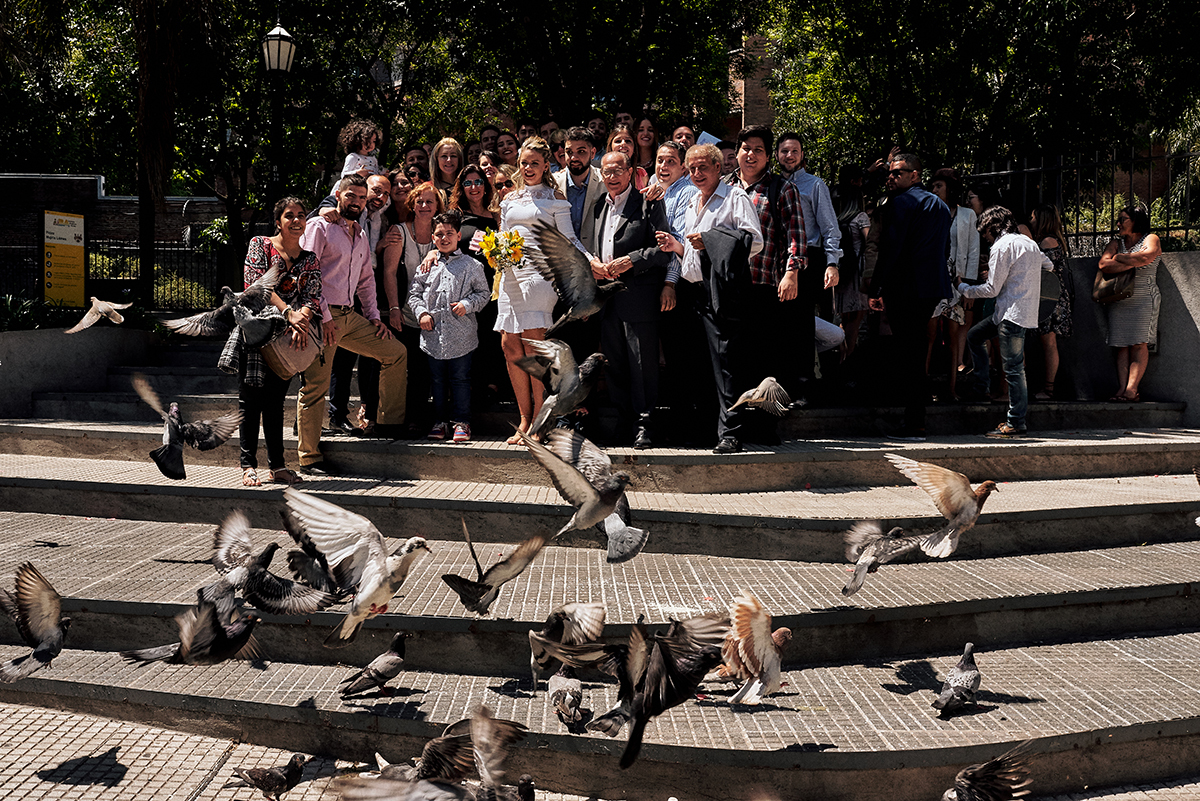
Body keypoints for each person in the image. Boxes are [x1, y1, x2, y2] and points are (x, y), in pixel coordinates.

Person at [296, 175, 408, 475]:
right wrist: (326, 317)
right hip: (321, 316)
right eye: (351, 196)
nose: (356, 202)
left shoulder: (359, 233)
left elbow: (365, 281)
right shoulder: (319, 227)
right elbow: (306, 276)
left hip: (349, 316)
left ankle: (388, 424)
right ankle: (309, 457)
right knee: (315, 386)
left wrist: (373, 317)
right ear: (337, 195)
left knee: (395, 352)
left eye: (360, 197)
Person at [657, 143, 763, 454]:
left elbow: (753, 240)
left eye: (703, 167)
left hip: (721, 292)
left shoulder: (734, 197)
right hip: (693, 292)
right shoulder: (693, 202)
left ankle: (731, 433)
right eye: (692, 169)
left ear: (719, 168)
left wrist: (711, 239)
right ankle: (706, 431)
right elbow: (692, 251)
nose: (697, 174)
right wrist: (676, 247)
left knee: (726, 365)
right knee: (698, 365)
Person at [496, 136, 594, 444]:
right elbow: (502, 236)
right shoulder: (509, 200)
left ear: (546, 165)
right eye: (523, 163)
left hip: (541, 276)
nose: (527, 168)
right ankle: (524, 419)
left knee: (533, 348)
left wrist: (592, 262)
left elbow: (570, 241)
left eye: (534, 163)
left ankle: (541, 421)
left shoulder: (555, 198)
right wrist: (494, 251)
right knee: (509, 345)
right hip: (510, 275)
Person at [723, 125, 808, 440]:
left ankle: (764, 427)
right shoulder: (725, 187)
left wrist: (792, 272)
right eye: (745, 148)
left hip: (764, 288)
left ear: (767, 155)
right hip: (730, 289)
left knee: (765, 361)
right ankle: (735, 427)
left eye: (758, 149)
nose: (750, 154)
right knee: (735, 360)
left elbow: (796, 236)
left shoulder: (781, 189)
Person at [234, 197, 321, 486]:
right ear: (278, 221)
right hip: (258, 331)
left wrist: (302, 319)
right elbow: (256, 286)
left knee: (274, 402)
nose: (296, 220)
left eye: (300, 215)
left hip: (288, 338)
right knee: (250, 400)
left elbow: (313, 295)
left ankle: (278, 467)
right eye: (289, 215)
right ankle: (248, 465)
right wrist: (288, 312)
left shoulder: (309, 258)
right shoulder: (261, 244)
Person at [866, 153, 952, 442]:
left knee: (910, 355)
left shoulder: (901, 203)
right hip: (930, 288)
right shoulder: (939, 205)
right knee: (916, 351)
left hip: (906, 288)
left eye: (897, 173)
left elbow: (891, 250)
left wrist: (876, 288)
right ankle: (916, 422)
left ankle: (914, 424)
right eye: (889, 173)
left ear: (915, 174)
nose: (890, 177)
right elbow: (945, 248)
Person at [588, 150, 671, 447]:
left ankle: (645, 424)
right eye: (606, 172)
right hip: (608, 299)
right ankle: (624, 421)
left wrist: (632, 260)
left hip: (639, 297)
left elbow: (664, 249)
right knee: (616, 364)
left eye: (617, 171)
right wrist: (595, 265)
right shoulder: (599, 207)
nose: (611, 177)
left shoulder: (648, 203)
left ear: (630, 172)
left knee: (642, 364)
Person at [959, 207, 1053, 436]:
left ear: (992, 228)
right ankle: (982, 386)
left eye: (985, 233)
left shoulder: (1001, 246)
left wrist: (964, 288)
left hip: (1010, 314)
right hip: (1020, 312)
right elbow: (1048, 266)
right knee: (975, 335)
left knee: (1013, 369)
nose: (985, 238)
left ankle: (1016, 421)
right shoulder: (1028, 243)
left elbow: (992, 289)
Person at [408, 210, 491, 443]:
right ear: (433, 238)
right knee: (437, 381)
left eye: (449, 234)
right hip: (433, 337)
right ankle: (440, 421)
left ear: (458, 236)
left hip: (461, 336)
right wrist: (422, 313)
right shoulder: (427, 266)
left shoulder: (472, 265)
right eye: (439, 234)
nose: (444, 238)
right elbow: (414, 295)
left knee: (461, 379)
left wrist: (467, 304)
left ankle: (461, 422)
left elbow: (484, 293)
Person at [775, 131, 841, 399]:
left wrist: (832, 262)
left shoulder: (815, 185)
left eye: (794, 151)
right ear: (776, 154)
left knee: (802, 326)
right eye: (784, 151)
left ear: (802, 155)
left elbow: (829, 227)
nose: (789, 155)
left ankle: (802, 387)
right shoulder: (773, 184)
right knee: (779, 325)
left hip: (808, 260)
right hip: (775, 260)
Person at [381, 182, 443, 432]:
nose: (424, 206)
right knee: (408, 366)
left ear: (438, 205)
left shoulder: (444, 233)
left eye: (430, 201)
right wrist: (394, 307)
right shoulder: (399, 231)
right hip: (405, 312)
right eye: (420, 201)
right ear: (412, 205)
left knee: (426, 370)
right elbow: (389, 272)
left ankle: (421, 417)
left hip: (436, 314)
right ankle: (400, 420)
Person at [448, 164, 503, 408]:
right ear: (462, 187)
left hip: (493, 285)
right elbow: (442, 242)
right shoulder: (456, 216)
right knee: (469, 336)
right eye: (468, 183)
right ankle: (469, 388)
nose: (474, 187)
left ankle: (491, 385)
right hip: (465, 288)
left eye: (478, 182)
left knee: (491, 336)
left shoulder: (497, 215)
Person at [1099, 206, 1162, 402]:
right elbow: (1103, 265)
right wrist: (1131, 260)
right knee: (1120, 345)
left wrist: (1118, 258)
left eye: (1123, 220)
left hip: (1144, 298)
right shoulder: (1116, 243)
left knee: (1139, 343)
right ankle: (1121, 388)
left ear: (1136, 221)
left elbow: (1147, 256)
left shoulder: (1151, 239)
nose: (1118, 224)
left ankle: (1131, 390)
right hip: (1118, 298)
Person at [927, 168, 979, 401]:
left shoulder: (967, 215)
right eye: (933, 186)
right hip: (932, 280)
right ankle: (923, 388)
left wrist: (968, 287)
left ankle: (951, 388)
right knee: (928, 335)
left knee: (953, 334)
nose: (934, 190)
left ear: (950, 188)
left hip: (956, 283)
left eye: (939, 186)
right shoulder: (928, 210)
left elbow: (973, 251)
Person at [1030, 203, 1073, 400]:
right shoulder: (1054, 240)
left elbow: (1043, 268)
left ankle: (1049, 388)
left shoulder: (1047, 242)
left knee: (1049, 341)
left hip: (1050, 296)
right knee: (1047, 341)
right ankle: (1047, 386)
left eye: (1033, 217)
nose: (1031, 221)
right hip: (1052, 294)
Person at [553, 127, 606, 246]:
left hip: (595, 257)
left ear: (592, 153)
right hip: (561, 259)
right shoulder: (553, 184)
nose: (574, 158)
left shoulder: (605, 182)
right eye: (569, 152)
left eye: (581, 151)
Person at [336, 120, 382, 185]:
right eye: (368, 141)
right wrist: (357, 173)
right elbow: (344, 175)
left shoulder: (373, 159)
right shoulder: (353, 157)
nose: (371, 144)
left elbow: (375, 172)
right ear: (357, 140)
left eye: (374, 141)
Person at [605, 125, 649, 191]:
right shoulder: (601, 175)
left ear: (634, 147)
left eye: (628, 141)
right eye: (618, 141)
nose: (623, 144)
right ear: (610, 146)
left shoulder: (641, 174)